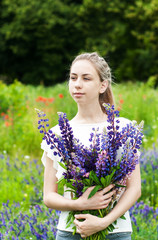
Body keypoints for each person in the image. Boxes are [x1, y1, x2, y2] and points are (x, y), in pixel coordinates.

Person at [41, 52, 141, 240]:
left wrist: (103, 222)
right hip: (71, 231)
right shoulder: (55, 134)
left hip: (115, 232)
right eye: (73, 77)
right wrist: (80, 203)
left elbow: (134, 188)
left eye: (86, 78)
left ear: (103, 85)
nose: (77, 83)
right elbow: (49, 196)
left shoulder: (124, 128)